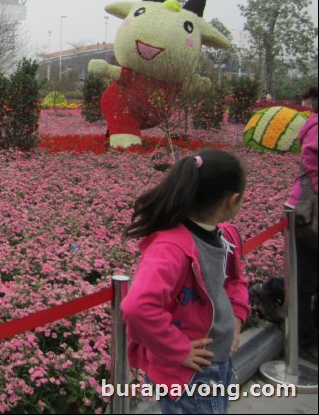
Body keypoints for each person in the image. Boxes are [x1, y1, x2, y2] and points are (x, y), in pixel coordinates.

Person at [121, 149, 249, 414]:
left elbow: (234, 280)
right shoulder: (170, 247)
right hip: (190, 373)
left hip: (216, 362)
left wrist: (236, 316)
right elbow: (137, 307)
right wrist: (178, 349)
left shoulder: (226, 236)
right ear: (232, 200)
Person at [249, 86, 318, 363]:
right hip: (306, 213)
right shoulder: (315, 128)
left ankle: (271, 290)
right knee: (304, 279)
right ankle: (305, 341)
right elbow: (313, 162)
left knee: (307, 277)